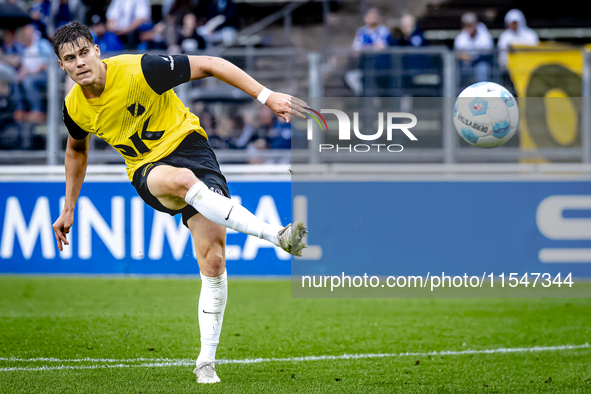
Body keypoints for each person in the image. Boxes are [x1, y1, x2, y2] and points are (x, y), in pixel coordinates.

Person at [50, 21, 308, 384]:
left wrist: (267, 96)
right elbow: (76, 150)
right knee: (184, 182)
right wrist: (68, 207)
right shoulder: (74, 108)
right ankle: (278, 237)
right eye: (69, 58)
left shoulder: (141, 69)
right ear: (62, 66)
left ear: (97, 49)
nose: (79, 63)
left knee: (214, 261)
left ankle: (205, 362)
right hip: (147, 170)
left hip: (193, 149)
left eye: (82, 52)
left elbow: (212, 64)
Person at [453, 12, 493, 87]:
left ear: (475, 24)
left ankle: (482, 92)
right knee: (463, 69)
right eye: (466, 25)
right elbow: (458, 53)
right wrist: (468, 57)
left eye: (470, 25)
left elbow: (488, 50)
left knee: (482, 69)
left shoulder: (483, 34)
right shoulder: (461, 37)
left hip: (481, 61)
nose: (468, 27)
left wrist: (472, 56)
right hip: (467, 64)